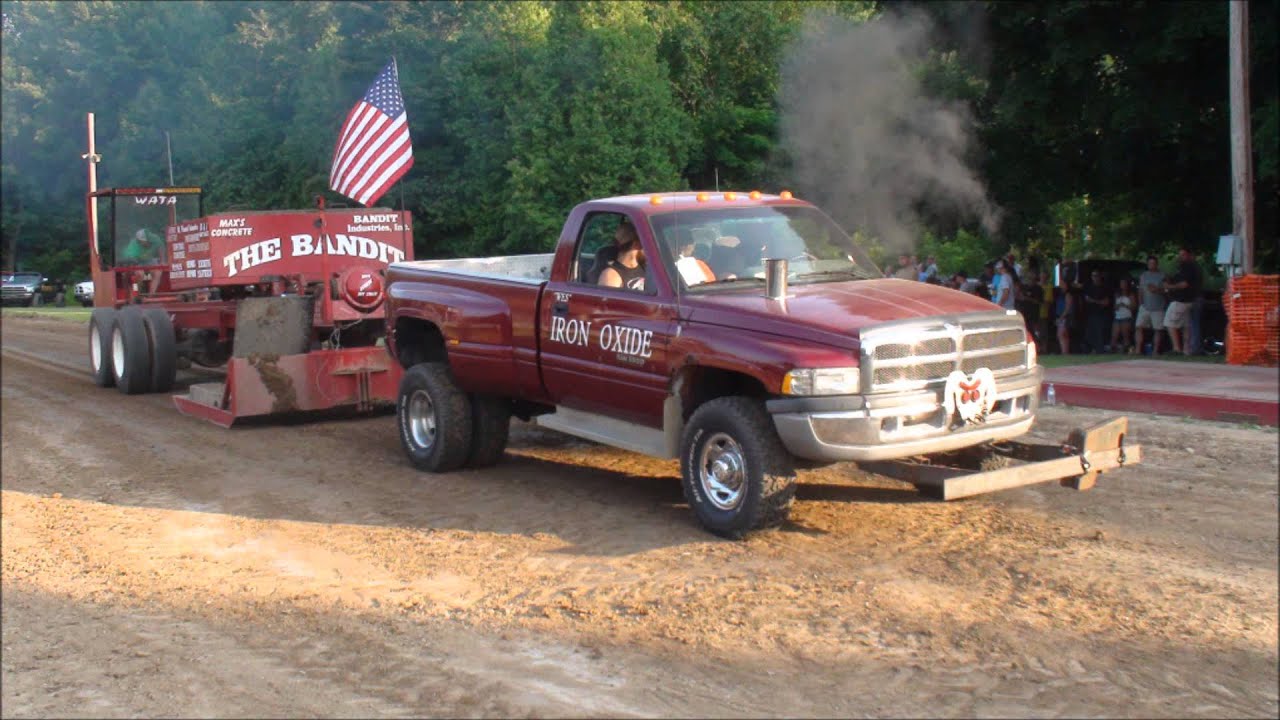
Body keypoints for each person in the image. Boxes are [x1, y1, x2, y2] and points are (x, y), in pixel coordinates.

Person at [1162, 246, 1202, 355]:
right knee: (1186, 326)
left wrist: (1170, 287)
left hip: (1181, 300)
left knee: (1169, 323)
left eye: (1183, 255)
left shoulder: (1188, 267)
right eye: (1179, 255)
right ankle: (1186, 350)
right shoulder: (1192, 267)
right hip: (1189, 301)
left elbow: (1184, 284)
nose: (1180, 257)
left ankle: (1176, 348)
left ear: (1189, 255)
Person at [598, 222, 646, 291]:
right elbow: (606, 301)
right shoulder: (611, 275)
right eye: (644, 242)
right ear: (637, 245)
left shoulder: (644, 267)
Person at [1134, 255, 1166, 356]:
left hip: (1158, 307)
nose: (1151, 265)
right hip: (1145, 306)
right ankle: (1138, 350)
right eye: (1149, 263)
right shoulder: (1143, 275)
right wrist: (1140, 304)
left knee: (1157, 329)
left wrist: (1157, 290)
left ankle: (1155, 351)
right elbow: (1140, 290)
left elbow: (1167, 290)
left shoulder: (1163, 276)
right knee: (1139, 327)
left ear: (1157, 264)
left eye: (1153, 263)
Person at [1082, 270, 1111, 352]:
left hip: (1101, 315)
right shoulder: (1089, 288)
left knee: (1100, 334)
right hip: (1090, 314)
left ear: (1100, 276)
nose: (1095, 277)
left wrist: (1093, 301)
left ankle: (1100, 350)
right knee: (1089, 334)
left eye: (1096, 275)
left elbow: (1106, 302)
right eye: (1093, 276)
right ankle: (1090, 350)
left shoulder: (1104, 288)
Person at [1110, 276, 1137, 353]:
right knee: (1114, 335)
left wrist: (1125, 305)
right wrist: (1117, 306)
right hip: (1118, 316)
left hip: (1126, 317)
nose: (1123, 285)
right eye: (1121, 283)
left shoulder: (1131, 295)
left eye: (1124, 283)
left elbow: (1134, 307)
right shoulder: (1117, 294)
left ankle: (1127, 350)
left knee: (1125, 335)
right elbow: (1114, 307)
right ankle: (1113, 349)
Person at [1055, 275, 1075, 355]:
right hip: (1061, 316)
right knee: (1063, 334)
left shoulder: (1068, 295)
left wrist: (1061, 317)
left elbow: (1068, 308)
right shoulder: (1061, 294)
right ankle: (1065, 351)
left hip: (1065, 316)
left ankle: (1064, 351)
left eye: (1063, 284)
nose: (1061, 285)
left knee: (1061, 334)